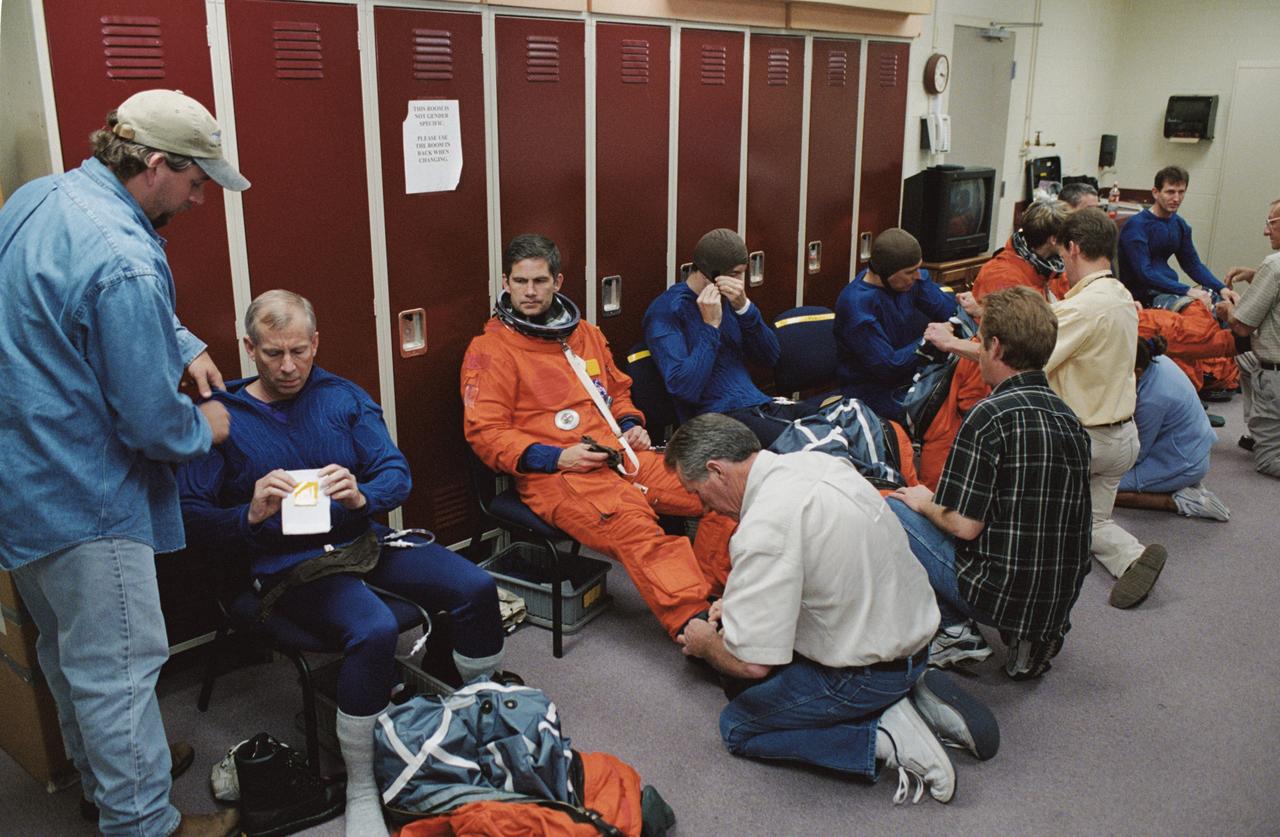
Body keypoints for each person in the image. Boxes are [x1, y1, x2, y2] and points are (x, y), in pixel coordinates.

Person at [0, 89, 247, 836]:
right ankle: (143, 822)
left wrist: (181, 343)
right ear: (155, 163)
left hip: (22, 480)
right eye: (196, 182)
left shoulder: (42, 197)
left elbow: (78, 302)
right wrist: (203, 426)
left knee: (68, 652)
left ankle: (105, 780)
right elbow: (150, 423)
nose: (200, 199)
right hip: (87, 497)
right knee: (120, 671)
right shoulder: (126, 258)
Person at [180, 291, 507, 836]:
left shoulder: (342, 397)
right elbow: (189, 518)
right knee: (374, 628)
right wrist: (248, 514)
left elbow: (395, 473)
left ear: (316, 343)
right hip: (283, 562)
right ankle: (362, 786)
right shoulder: (221, 417)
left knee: (475, 586)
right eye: (273, 353)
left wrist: (362, 496)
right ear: (249, 349)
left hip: (359, 539)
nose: (289, 366)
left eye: (299, 351)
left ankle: (483, 724)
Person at [668, 414, 999, 805]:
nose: (703, 506)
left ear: (716, 471)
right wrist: (742, 602)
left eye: (697, 492)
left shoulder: (764, 527)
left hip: (869, 674)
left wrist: (705, 643)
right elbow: (820, 569)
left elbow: (752, 664)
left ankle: (882, 733)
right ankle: (909, 692)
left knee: (739, 724)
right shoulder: (817, 462)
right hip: (917, 641)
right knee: (754, 660)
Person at [462, 234, 734, 642]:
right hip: (557, 475)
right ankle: (696, 625)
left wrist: (630, 424)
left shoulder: (584, 334)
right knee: (636, 528)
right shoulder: (490, 351)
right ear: (506, 283)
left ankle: (716, 595)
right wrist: (557, 458)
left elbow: (617, 391)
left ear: (557, 281)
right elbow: (486, 433)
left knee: (723, 492)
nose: (530, 291)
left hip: (620, 455)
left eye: (540, 281)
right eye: (520, 281)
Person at [894, 288, 1092, 678]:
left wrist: (923, 500)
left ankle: (955, 630)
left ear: (996, 347)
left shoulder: (988, 417)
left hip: (997, 593)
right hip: (1059, 597)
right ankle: (1032, 633)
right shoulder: (1070, 419)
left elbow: (964, 525)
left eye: (980, 341)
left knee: (895, 510)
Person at [1052, 207, 1169, 607]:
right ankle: (1134, 557)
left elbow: (1023, 358)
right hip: (1123, 438)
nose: (1062, 265)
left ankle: (1040, 586)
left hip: (1084, 443)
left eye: (1062, 255)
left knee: (1027, 508)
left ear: (1073, 248)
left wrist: (957, 344)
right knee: (1094, 521)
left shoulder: (1080, 308)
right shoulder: (1121, 295)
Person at [643, 228, 816, 446]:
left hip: (757, 405)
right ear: (710, 274)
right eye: (735, 275)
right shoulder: (666, 311)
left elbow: (770, 357)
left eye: (743, 273)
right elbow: (684, 388)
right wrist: (711, 327)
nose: (740, 283)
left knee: (832, 424)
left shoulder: (729, 300)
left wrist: (744, 308)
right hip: (716, 421)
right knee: (806, 444)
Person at [835, 228, 956, 419]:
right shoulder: (857, 306)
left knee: (964, 395)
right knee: (941, 415)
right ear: (886, 273)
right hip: (872, 392)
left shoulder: (910, 281)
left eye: (918, 268)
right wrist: (931, 339)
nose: (918, 275)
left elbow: (952, 313)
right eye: (910, 272)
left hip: (912, 377)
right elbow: (889, 367)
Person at [1114, 337, 1229, 520]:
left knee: (1099, 488)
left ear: (1137, 371)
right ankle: (1171, 485)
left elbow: (1136, 453)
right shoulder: (1156, 360)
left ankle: (1182, 501)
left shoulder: (1154, 399)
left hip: (1184, 464)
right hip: (1186, 450)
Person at [1216, 197, 1280, 477]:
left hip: (1276, 374)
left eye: (1271, 223)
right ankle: (1263, 431)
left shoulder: (1274, 265)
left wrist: (1227, 309)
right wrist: (1256, 277)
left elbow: (1241, 326)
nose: (1266, 231)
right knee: (1245, 361)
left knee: (1268, 462)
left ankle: (1268, 440)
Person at [1118, 165, 1239, 307]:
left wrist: (1222, 289)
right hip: (1144, 295)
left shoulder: (1179, 225)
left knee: (1222, 304)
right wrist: (1187, 290)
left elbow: (1193, 265)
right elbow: (1145, 273)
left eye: (1181, 192)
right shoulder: (1136, 226)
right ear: (1156, 193)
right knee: (1192, 309)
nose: (1176, 198)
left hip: (1168, 289)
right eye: (1170, 192)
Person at [971, 200, 1070, 303]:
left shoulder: (1053, 270)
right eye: (1068, 236)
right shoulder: (1001, 277)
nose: (1071, 242)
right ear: (1054, 240)